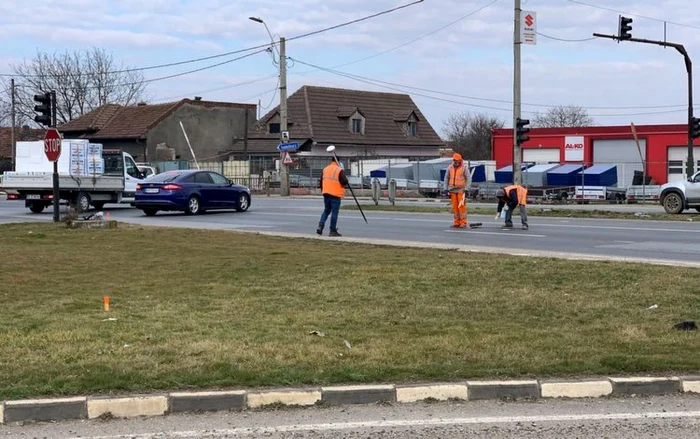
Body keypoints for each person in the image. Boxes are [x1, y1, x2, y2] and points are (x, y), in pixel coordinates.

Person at [317, 157, 349, 237]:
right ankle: (332, 230)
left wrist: (323, 191)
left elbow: (321, 181)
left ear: (332, 161)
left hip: (326, 193)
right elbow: (344, 181)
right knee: (334, 212)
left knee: (326, 211)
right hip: (335, 194)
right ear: (338, 161)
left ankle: (320, 225)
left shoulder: (325, 169)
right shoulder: (339, 170)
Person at [443, 153, 470, 228]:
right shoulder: (450, 168)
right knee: (455, 207)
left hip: (461, 189)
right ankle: (457, 222)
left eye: (457, 160)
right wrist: (445, 189)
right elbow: (446, 178)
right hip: (452, 190)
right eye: (454, 160)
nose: (455, 162)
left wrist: (467, 189)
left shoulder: (464, 168)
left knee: (461, 206)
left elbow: (468, 179)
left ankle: (463, 222)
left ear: (460, 160)